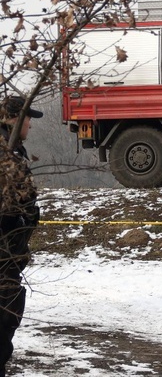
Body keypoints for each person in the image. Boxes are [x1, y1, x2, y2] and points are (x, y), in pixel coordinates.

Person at [0, 95, 43, 376]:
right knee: (5, 314)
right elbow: (20, 200)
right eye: (28, 118)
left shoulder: (11, 149)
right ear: (16, 118)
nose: (30, 125)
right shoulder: (7, 151)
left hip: (10, 247)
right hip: (5, 249)